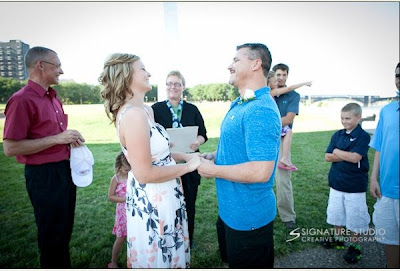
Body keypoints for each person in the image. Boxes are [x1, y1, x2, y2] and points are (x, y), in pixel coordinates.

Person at [99, 53, 201, 268]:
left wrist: (185, 156)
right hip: (154, 199)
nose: (149, 73)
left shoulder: (146, 111)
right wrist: (188, 167)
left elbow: (158, 155)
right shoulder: (133, 115)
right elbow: (145, 173)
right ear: (127, 76)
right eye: (143, 69)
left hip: (167, 193)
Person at [198, 43, 281, 268]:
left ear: (256, 64)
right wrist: (215, 156)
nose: (229, 66)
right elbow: (242, 148)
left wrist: (214, 170)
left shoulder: (260, 109)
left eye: (236, 60)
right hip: (230, 214)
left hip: (248, 220)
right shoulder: (244, 103)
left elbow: (261, 170)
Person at [2, 46, 85, 268]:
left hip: (64, 173)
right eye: (57, 65)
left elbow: (55, 136)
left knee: (63, 232)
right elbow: (10, 148)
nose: (61, 71)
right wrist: (58, 139)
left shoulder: (53, 97)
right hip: (44, 177)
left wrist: (69, 139)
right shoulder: (21, 100)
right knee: (52, 235)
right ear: (40, 65)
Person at [152, 70, 208, 249]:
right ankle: (168, 239)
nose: (173, 87)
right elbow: (150, 136)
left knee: (189, 204)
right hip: (167, 166)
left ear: (183, 87)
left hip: (190, 165)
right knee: (167, 205)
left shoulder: (192, 109)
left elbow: (203, 135)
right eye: (169, 83)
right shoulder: (156, 109)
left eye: (177, 84)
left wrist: (196, 142)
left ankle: (188, 240)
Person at [323, 103, 371, 263]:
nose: (344, 121)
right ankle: (338, 239)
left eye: (348, 118)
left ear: (358, 117)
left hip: (354, 186)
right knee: (337, 214)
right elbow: (327, 156)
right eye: (342, 118)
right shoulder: (337, 135)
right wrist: (344, 153)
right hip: (336, 183)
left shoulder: (363, 136)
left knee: (355, 217)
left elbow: (356, 157)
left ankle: (354, 246)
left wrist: (337, 151)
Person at [369, 62, 399, 268]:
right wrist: (373, 178)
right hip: (387, 191)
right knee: (390, 240)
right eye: (397, 75)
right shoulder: (387, 111)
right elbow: (379, 147)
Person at [272, 63, 300, 229]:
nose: (281, 78)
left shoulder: (293, 96)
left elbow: (288, 119)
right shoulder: (268, 92)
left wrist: (266, 124)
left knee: (283, 179)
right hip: (264, 139)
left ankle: (287, 216)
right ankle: (264, 212)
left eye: (284, 75)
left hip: (282, 139)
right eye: (278, 74)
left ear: (287, 76)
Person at [267, 70, 312, 171]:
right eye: (275, 81)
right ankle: (285, 158)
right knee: (288, 131)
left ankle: (285, 158)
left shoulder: (266, 93)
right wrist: (304, 83)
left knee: (288, 131)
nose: (277, 82)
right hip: (272, 124)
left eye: (284, 75)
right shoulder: (270, 92)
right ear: (269, 83)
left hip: (272, 123)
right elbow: (289, 88)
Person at [107, 152, 131, 268]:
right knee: (121, 238)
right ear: (119, 167)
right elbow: (110, 197)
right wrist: (124, 199)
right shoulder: (116, 179)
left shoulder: (133, 176)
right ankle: (113, 261)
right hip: (122, 212)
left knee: (135, 235)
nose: (128, 171)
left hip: (134, 211)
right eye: (126, 169)